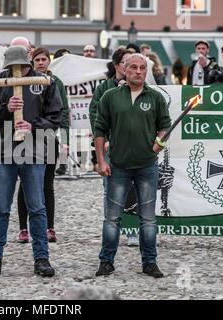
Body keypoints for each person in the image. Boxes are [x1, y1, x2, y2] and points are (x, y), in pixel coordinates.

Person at [0, 45, 62, 277]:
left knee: (37, 206)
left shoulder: (45, 82)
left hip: (35, 149)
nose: (18, 70)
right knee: (1, 206)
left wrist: (33, 125)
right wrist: (6, 109)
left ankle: (42, 258)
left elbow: (55, 117)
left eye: (22, 66)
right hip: (4, 150)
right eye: (13, 66)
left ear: (29, 62)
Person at [94, 53, 171, 278]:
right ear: (124, 69)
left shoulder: (155, 98)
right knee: (112, 218)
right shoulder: (110, 97)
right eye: (134, 67)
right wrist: (100, 160)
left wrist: (160, 141)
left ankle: (150, 262)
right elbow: (100, 129)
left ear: (146, 71)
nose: (138, 71)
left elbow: (165, 126)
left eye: (142, 68)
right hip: (117, 166)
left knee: (147, 218)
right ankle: (106, 261)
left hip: (147, 166)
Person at [16, 47, 69, 243]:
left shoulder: (56, 83)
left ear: (49, 61)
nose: (40, 62)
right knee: (25, 185)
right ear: (32, 61)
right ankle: (23, 228)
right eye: (36, 59)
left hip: (48, 137)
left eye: (43, 59)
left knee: (47, 185)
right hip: (25, 140)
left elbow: (62, 114)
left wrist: (65, 141)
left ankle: (50, 227)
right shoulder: (22, 80)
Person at [89, 48, 140, 247]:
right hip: (111, 146)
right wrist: (103, 139)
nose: (132, 66)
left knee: (133, 189)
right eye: (127, 62)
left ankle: (132, 231)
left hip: (134, 146)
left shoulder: (140, 87)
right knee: (110, 188)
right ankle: (112, 229)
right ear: (118, 65)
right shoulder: (104, 88)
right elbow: (95, 114)